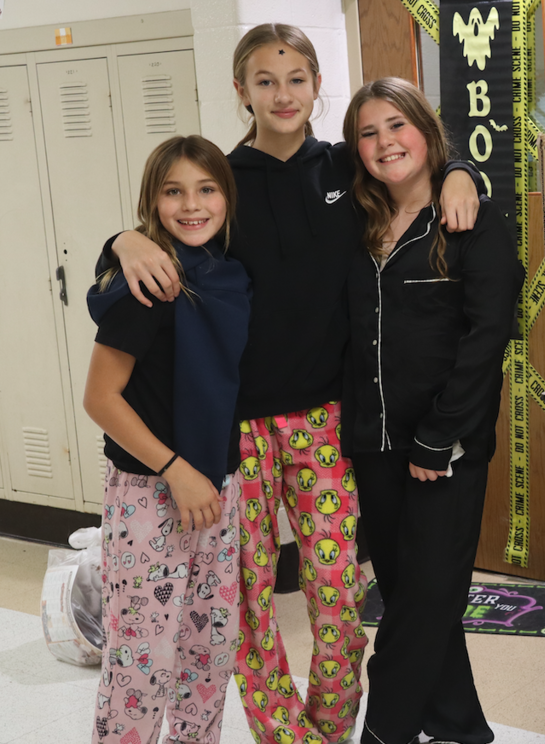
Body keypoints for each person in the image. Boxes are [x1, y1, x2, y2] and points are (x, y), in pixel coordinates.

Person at [98, 23, 483, 744]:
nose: (283, 94)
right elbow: (164, 223)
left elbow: (418, 165)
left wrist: (464, 171)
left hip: (326, 422)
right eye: (265, 81)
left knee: (338, 603)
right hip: (233, 433)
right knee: (245, 610)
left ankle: (329, 733)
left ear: (315, 86)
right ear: (240, 90)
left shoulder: (346, 167)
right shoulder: (224, 181)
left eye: (296, 79)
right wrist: (120, 239)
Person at [341, 77, 524, 744]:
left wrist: (439, 435)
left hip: (442, 449)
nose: (384, 142)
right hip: (373, 445)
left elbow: (487, 341)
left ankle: (383, 732)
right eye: (368, 131)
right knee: (416, 600)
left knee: (424, 603)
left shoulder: (470, 223)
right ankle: (461, 730)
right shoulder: (353, 222)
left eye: (397, 125)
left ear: (425, 130)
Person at [85, 135, 250, 744]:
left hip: (217, 487)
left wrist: (205, 475)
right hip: (149, 491)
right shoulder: (145, 282)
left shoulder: (231, 274)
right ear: (152, 202)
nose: (192, 204)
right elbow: (99, 399)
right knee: (143, 660)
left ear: (228, 197)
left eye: (206, 189)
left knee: (208, 655)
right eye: (173, 191)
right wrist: (176, 469)